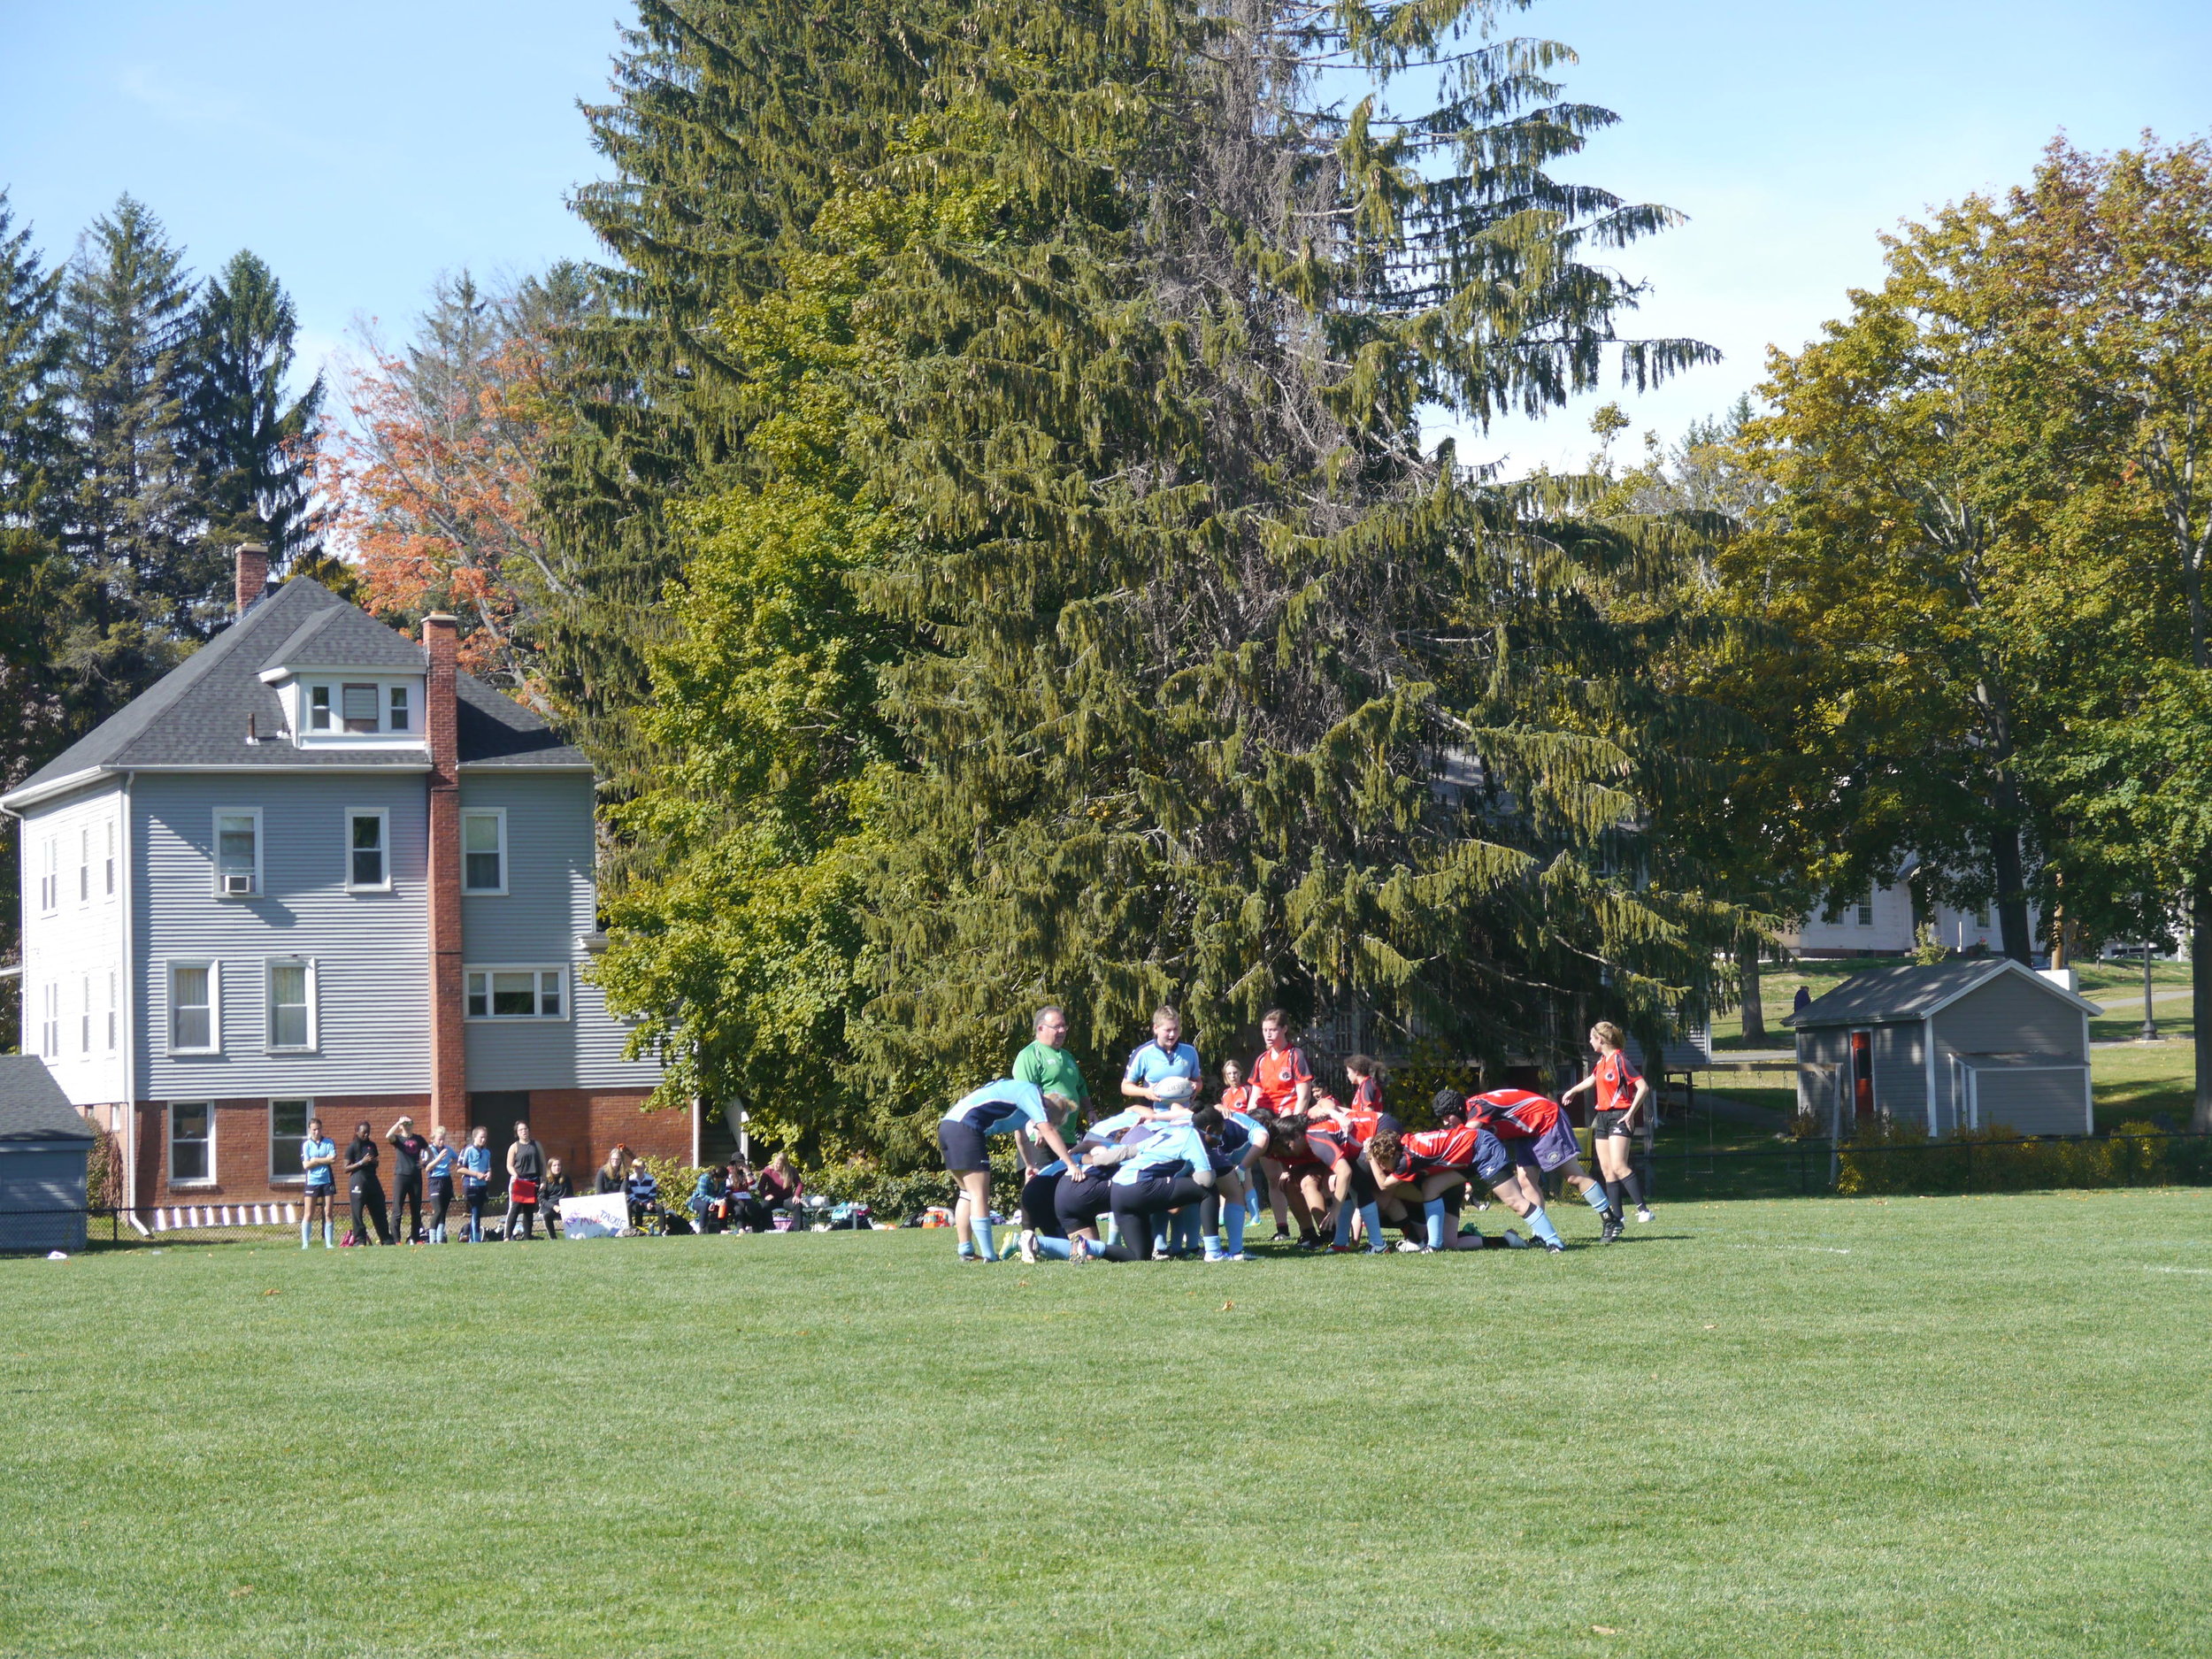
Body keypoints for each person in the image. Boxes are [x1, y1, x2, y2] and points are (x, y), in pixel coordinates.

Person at [938, 1078, 1079, 1262]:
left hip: (948, 1126)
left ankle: (966, 1251)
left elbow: (1021, 1136)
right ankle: (989, 1255)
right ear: (1048, 1111)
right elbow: (1048, 1130)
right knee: (979, 1193)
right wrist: (1070, 1164)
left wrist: (1029, 1164)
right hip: (966, 1128)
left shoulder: (1021, 1104)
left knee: (967, 1193)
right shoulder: (1031, 1092)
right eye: (1054, 1121)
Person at [1470, 1086, 1623, 1242]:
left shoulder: (1478, 1109)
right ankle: (1540, 1234)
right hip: (1526, 1131)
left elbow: (1468, 1140)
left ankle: (1610, 1219)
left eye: (1448, 1118)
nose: (1447, 1123)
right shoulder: (1472, 1107)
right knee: (1526, 1181)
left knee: (1572, 1175)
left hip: (1546, 1119)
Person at [1562, 1021, 1655, 1225]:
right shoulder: (1602, 1062)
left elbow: (1643, 1087)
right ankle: (1618, 1216)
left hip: (1619, 1115)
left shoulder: (1620, 1060)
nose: (1589, 1041)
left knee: (1619, 1165)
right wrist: (1573, 1090)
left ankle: (1643, 1209)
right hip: (1602, 1117)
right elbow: (1593, 1080)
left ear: (1600, 1040)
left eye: (1591, 1038)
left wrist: (1630, 1113)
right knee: (1607, 1169)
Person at [1249, 1010, 1313, 1242]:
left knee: (1292, 1176)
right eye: (1265, 1030)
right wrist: (1250, 1123)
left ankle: (1310, 1229)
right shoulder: (1261, 1061)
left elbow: (1303, 1095)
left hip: (1286, 1126)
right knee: (1273, 1178)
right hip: (1266, 1125)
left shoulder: (1295, 1055)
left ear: (1284, 1029)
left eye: (1273, 1029)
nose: (1268, 1034)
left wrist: (1294, 1125)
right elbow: (1254, 1097)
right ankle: (1282, 1229)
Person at [1013, 1004, 1089, 1124]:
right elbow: (1024, 1096)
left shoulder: (1068, 1056)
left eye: (1064, 1026)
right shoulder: (1030, 1054)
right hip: (1041, 1135)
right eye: (1057, 1027)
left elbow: (1080, 1087)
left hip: (1069, 1135)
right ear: (1041, 1028)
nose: (1062, 1030)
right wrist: (1037, 1126)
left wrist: (1090, 1111)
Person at [342, 1121, 393, 1246]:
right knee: (357, 1212)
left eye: (368, 1132)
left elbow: (376, 1161)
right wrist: (362, 1162)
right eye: (364, 1132)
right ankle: (360, 1240)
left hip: (372, 1180)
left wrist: (374, 1162)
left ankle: (385, 1239)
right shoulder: (352, 1146)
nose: (366, 1135)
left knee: (379, 1209)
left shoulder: (372, 1145)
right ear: (357, 1132)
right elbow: (346, 1168)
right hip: (358, 1180)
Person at [386, 1116, 431, 1243]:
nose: (407, 1126)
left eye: (409, 1123)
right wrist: (398, 1122)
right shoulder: (398, 1139)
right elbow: (388, 1136)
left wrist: (424, 1162)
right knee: (397, 1209)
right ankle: (396, 1239)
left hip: (416, 1176)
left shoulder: (419, 1139)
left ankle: (415, 1238)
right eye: (405, 1124)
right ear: (401, 1126)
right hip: (401, 1176)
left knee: (416, 1209)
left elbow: (429, 1152)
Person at [300, 1117, 338, 1249]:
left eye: (318, 1129)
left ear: (321, 1129)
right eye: (314, 1130)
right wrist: (322, 1160)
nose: (316, 1132)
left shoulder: (328, 1142)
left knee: (328, 1212)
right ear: (310, 1130)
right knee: (308, 1213)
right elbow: (306, 1165)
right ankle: (305, 1243)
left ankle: (329, 1243)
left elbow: (332, 1159)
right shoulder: (306, 1145)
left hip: (327, 1180)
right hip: (312, 1182)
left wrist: (315, 1159)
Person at [505, 1120, 546, 1240]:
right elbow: (509, 1165)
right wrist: (515, 1175)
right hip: (519, 1182)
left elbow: (543, 1163)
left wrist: (543, 1180)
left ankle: (527, 1236)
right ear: (517, 1133)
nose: (524, 1132)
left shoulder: (536, 1145)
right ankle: (507, 1236)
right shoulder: (514, 1147)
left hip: (533, 1181)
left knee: (529, 1211)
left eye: (526, 1129)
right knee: (515, 1209)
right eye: (521, 1130)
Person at [459, 1126, 494, 1243]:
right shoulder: (468, 1150)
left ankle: (474, 1237)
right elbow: (460, 1169)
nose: (483, 1140)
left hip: (482, 1185)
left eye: (485, 1137)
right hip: (471, 1185)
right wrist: (475, 1174)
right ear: (475, 1137)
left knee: (478, 1211)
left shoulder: (487, 1152)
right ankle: (475, 1238)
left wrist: (489, 1174)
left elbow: (488, 1168)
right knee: (475, 1210)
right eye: (481, 1137)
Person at [424, 1127, 457, 1243]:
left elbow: (456, 1159)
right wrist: (438, 1159)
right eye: (439, 1139)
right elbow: (427, 1167)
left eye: (443, 1139)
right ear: (433, 1139)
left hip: (446, 1180)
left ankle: (440, 1238)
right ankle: (432, 1239)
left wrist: (449, 1164)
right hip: (434, 1181)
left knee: (443, 1211)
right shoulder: (428, 1150)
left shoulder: (448, 1149)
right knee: (437, 1210)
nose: (442, 1142)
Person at [757, 1150, 803, 1221]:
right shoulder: (768, 1170)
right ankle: (769, 1228)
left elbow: (799, 1184)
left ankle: (798, 1229)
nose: (776, 1165)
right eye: (775, 1163)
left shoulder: (791, 1170)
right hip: (772, 1198)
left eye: (778, 1164)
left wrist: (796, 1195)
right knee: (764, 1206)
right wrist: (766, 1195)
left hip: (786, 1198)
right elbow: (761, 1186)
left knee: (797, 1205)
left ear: (784, 1165)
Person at [540, 1157, 573, 1238]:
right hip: (550, 1206)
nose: (557, 1167)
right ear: (550, 1167)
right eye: (554, 1165)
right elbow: (541, 1199)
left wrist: (565, 1206)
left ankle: (572, 1236)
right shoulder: (545, 1180)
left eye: (559, 1165)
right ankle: (553, 1237)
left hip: (564, 1206)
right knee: (547, 1215)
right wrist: (554, 1207)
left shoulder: (566, 1179)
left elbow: (571, 1195)